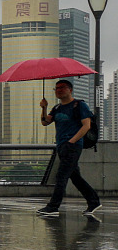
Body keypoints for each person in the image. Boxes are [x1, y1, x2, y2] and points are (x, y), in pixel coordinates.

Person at [38, 79, 100, 217]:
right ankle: (94, 201)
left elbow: (86, 126)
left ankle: (53, 206)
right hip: (61, 146)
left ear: (70, 89)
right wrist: (44, 108)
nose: (59, 90)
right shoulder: (57, 108)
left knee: (61, 175)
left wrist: (71, 142)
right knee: (75, 177)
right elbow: (45, 122)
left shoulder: (79, 105)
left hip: (73, 146)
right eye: (57, 88)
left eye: (62, 87)